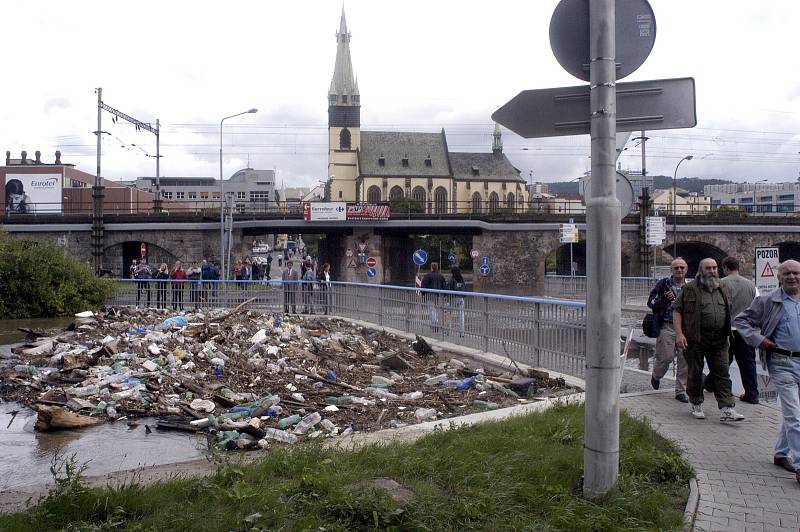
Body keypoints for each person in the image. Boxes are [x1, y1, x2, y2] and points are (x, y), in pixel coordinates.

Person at [735, 259, 800, 482]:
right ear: (779, 278)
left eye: (796, 273)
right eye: (787, 274)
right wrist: (759, 339)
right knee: (794, 414)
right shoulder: (768, 301)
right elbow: (741, 321)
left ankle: (781, 453)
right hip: (782, 363)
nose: (792, 277)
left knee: (795, 414)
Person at [673, 258, 744, 422]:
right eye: (708, 268)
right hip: (695, 339)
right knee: (695, 372)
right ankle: (696, 403)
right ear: (700, 270)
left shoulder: (723, 287)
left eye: (714, 268)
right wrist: (679, 334)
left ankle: (727, 408)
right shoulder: (689, 289)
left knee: (722, 372)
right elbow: (677, 310)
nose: (712, 271)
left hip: (719, 339)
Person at [709, 256, 759, 403]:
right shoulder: (751, 285)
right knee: (747, 362)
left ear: (725, 268)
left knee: (722, 361)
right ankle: (752, 393)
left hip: (725, 330)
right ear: (738, 267)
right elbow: (757, 305)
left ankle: (710, 383)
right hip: (745, 330)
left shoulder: (719, 284)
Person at [648, 258, 690, 402]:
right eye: (677, 268)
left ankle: (680, 391)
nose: (679, 270)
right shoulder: (663, 284)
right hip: (667, 325)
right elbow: (651, 303)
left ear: (686, 270)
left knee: (685, 360)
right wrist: (664, 299)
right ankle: (656, 375)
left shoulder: (690, 287)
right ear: (672, 270)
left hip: (685, 328)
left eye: (682, 268)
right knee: (665, 358)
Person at [421, 262, 447, 332]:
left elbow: (423, 285)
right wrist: (444, 295)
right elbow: (444, 286)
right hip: (439, 295)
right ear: (437, 267)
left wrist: (423, 294)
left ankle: (435, 324)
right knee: (438, 310)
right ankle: (439, 324)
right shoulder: (441, 276)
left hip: (430, 295)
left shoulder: (428, 276)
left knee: (431, 309)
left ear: (431, 268)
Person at [446, 266, 466, 337]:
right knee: (461, 316)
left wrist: (446, 299)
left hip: (453, 299)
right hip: (461, 298)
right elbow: (464, 288)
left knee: (449, 314)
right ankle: (462, 333)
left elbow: (448, 289)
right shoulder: (461, 279)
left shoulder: (451, 279)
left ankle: (448, 331)